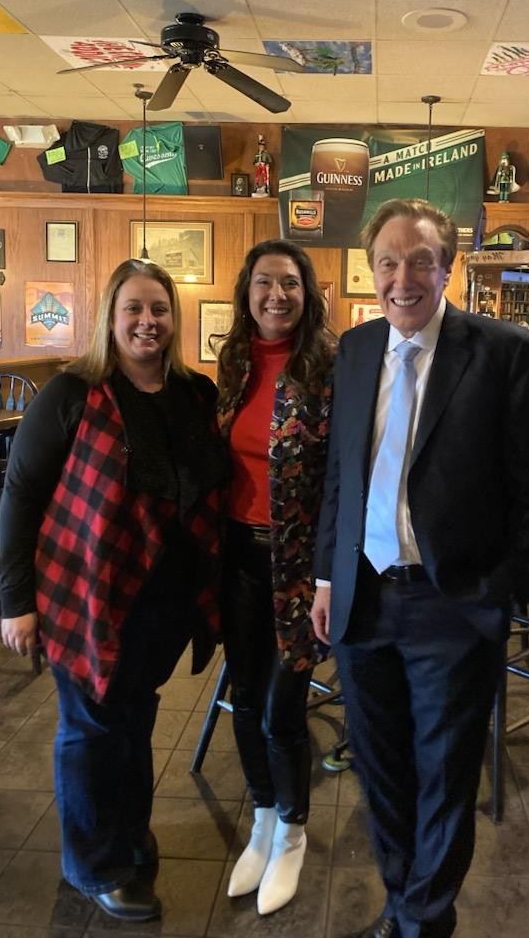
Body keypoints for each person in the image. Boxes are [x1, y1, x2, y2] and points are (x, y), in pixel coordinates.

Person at [311, 198, 529, 938]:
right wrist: (327, 576)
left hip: (453, 604)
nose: (403, 278)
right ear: (372, 270)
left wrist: (496, 594)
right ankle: (402, 905)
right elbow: (341, 477)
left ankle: (425, 923)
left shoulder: (505, 350)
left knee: (446, 777)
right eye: (388, 262)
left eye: (420, 261)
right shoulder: (356, 350)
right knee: (381, 771)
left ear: (447, 267)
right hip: (364, 599)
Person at [0, 260, 226, 923]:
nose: (147, 321)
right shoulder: (71, 392)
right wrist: (16, 603)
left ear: (174, 318)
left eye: (159, 309)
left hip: (163, 602)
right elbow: (20, 495)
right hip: (85, 599)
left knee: (134, 719)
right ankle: (95, 865)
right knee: (91, 728)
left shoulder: (194, 393)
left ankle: (128, 837)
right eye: (134, 308)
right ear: (110, 316)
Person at [216, 239, 334, 915]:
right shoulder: (234, 361)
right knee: (243, 694)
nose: (276, 295)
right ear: (247, 291)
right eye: (264, 282)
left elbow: (344, 477)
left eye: (289, 282)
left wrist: (331, 574)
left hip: (300, 563)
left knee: (280, 708)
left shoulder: (329, 365)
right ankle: (262, 818)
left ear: (306, 292)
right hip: (237, 554)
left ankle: (292, 832)